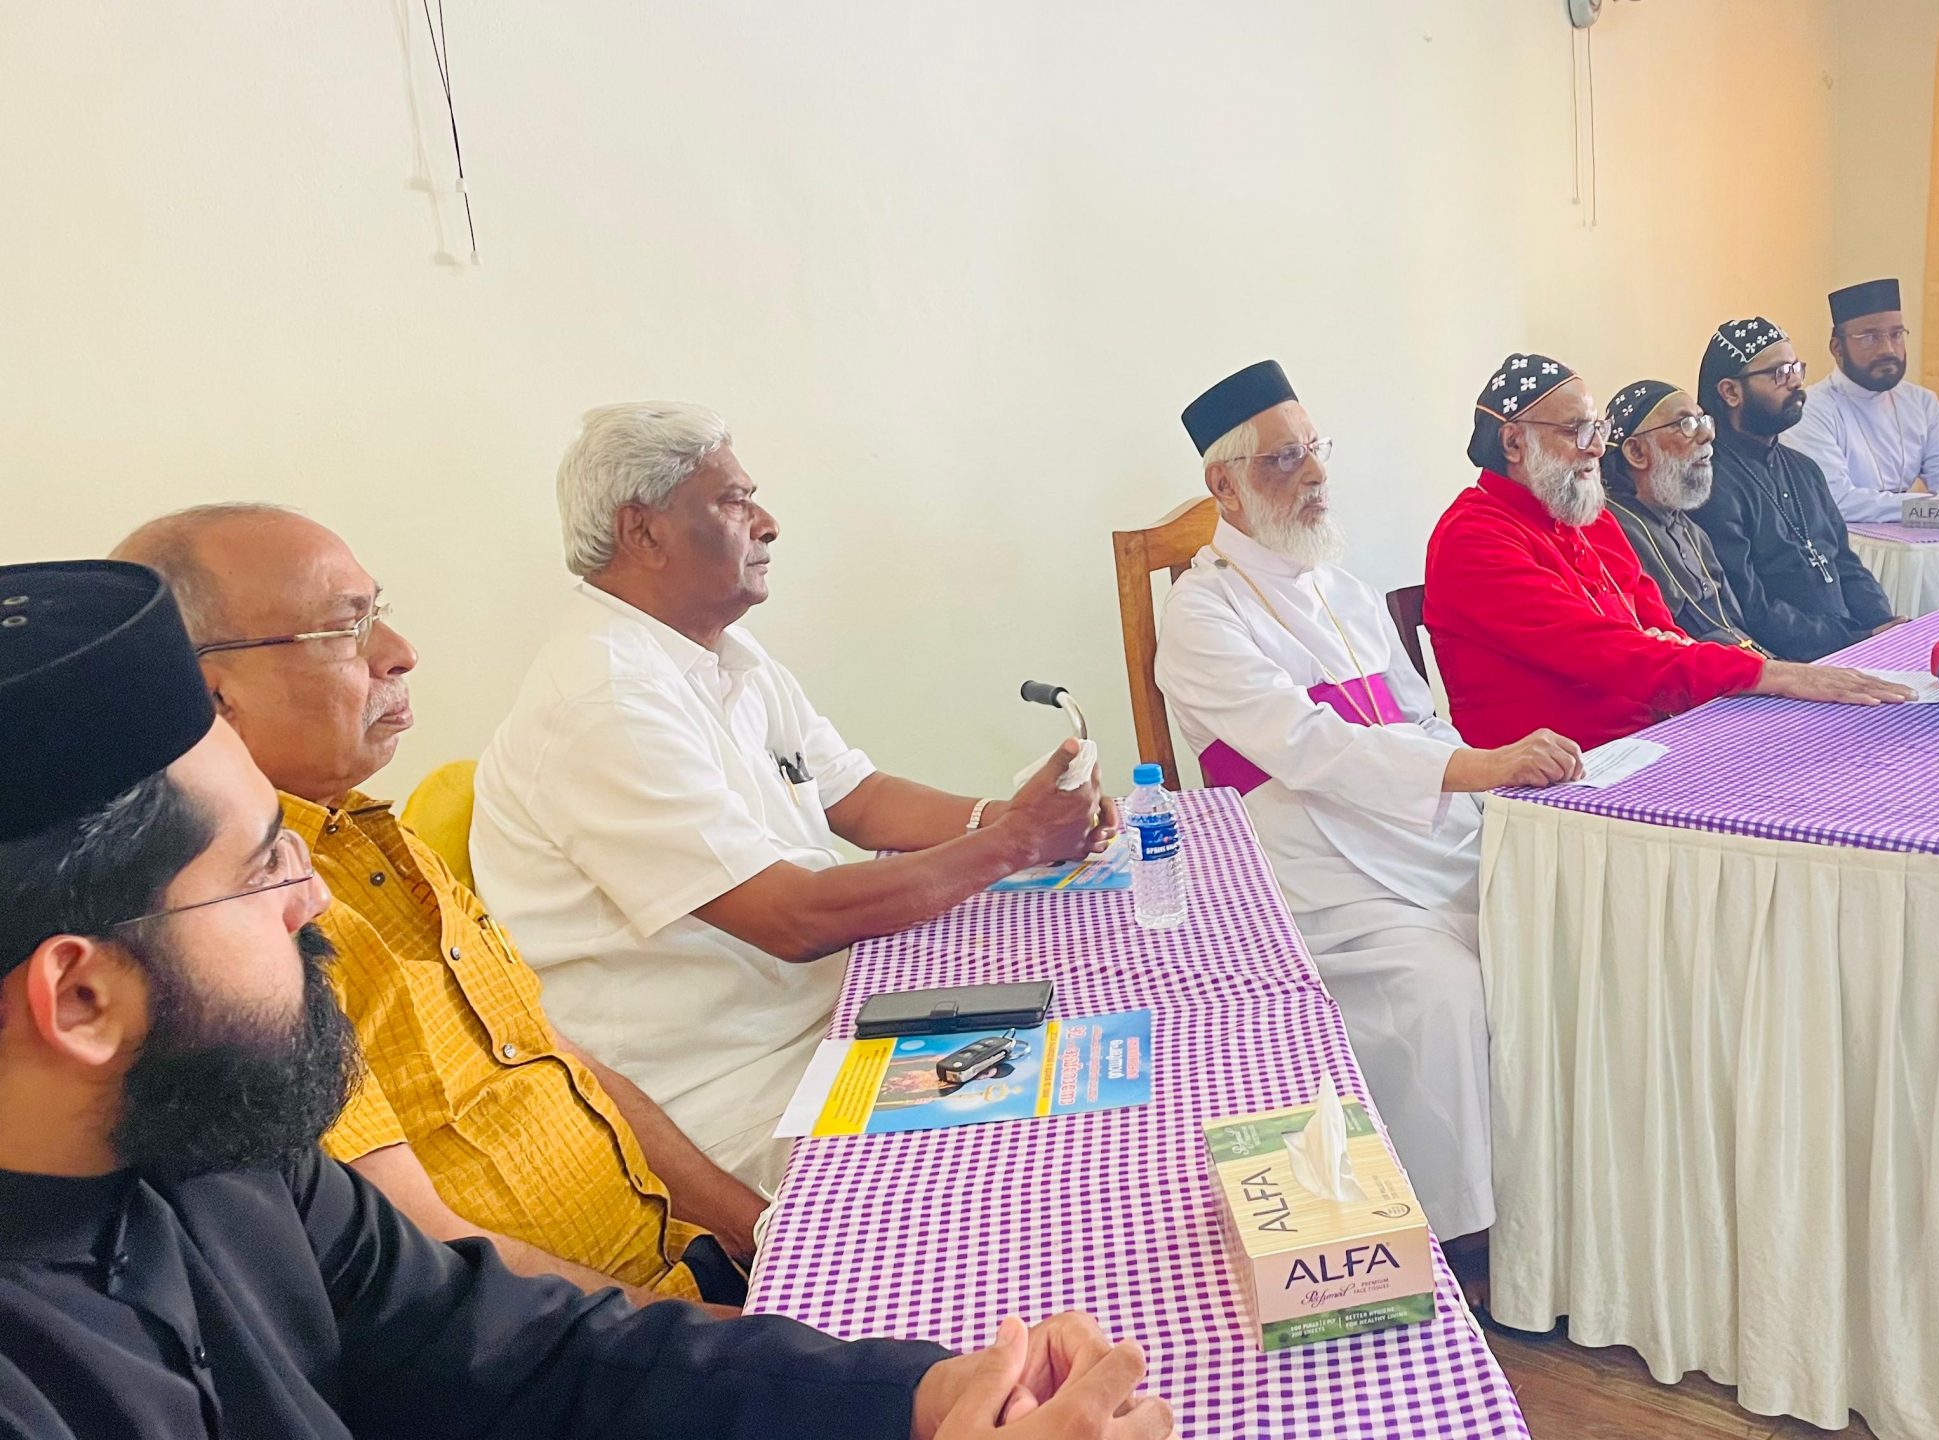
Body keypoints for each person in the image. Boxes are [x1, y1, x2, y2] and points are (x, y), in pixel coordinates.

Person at [0, 558, 1171, 1440]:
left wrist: (917, 1396)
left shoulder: (225, 1158)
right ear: (83, 997)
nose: (312, 900)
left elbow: (525, 1351)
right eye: (265, 870)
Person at [111, 505, 765, 1311]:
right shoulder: (248, 928)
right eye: (346, 629)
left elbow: (558, 1055)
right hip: (575, 1344)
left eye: (378, 612)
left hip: (676, 1268)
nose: (399, 651)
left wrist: (754, 1230)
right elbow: (427, 1259)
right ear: (213, 697)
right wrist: (739, 1341)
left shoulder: (375, 837)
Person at [471, 404, 1115, 1193]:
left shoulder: (720, 653)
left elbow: (861, 797)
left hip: (827, 1009)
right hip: (726, 1085)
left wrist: (1013, 818)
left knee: (1085, 1033)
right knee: (1039, 1154)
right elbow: (793, 919)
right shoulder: (603, 702)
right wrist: (1014, 843)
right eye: (734, 501)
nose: (768, 524)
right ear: (643, 532)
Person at [1155, 361, 1581, 1240]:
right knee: (1442, 992)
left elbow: (1420, 719)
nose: (1315, 473)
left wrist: (1486, 790)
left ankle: (1556, 1200)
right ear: (1224, 485)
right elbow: (1309, 747)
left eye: (1315, 450)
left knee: (1561, 931)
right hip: (1316, 877)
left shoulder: (1342, 589)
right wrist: (1477, 769)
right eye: (1284, 458)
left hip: (1427, 839)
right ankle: (1459, 1231)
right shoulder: (1203, 614)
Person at [1423, 352, 1909, 750]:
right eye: (1577, 431)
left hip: (1651, 737)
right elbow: (1607, 652)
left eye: (1598, 429)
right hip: (1560, 775)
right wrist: (1769, 673)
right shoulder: (1474, 538)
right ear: (1513, 442)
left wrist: (1736, 669)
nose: (1597, 449)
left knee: (1836, 744)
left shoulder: (1587, 518)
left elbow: (1663, 631)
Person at [1693, 318, 1905, 661]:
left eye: (1796, 369)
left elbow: (1845, 563)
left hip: (1848, 647)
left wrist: (1883, 625)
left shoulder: (1804, 469)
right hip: (1783, 665)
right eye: (1779, 373)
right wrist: (1854, 640)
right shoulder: (1711, 482)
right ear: (1731, 392)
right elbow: (1749, 608)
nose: (1795, 382)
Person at [1788, 278, 1939, 520]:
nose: (1888, 349)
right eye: (1869, 337)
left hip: (1909, 536)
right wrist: (1938, 504)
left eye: (1896, 334)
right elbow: (1836, 501)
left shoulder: (1920, 402)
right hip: (1842, 540)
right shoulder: (1810, 409)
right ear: (1837, 348)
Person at [1596, 378, 1763, 652]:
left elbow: (1732, 623)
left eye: (1703, 421)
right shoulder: (1611, 530)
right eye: (1685, 424)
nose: (1707, 435)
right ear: (1636, 452)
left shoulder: (1692, 531)